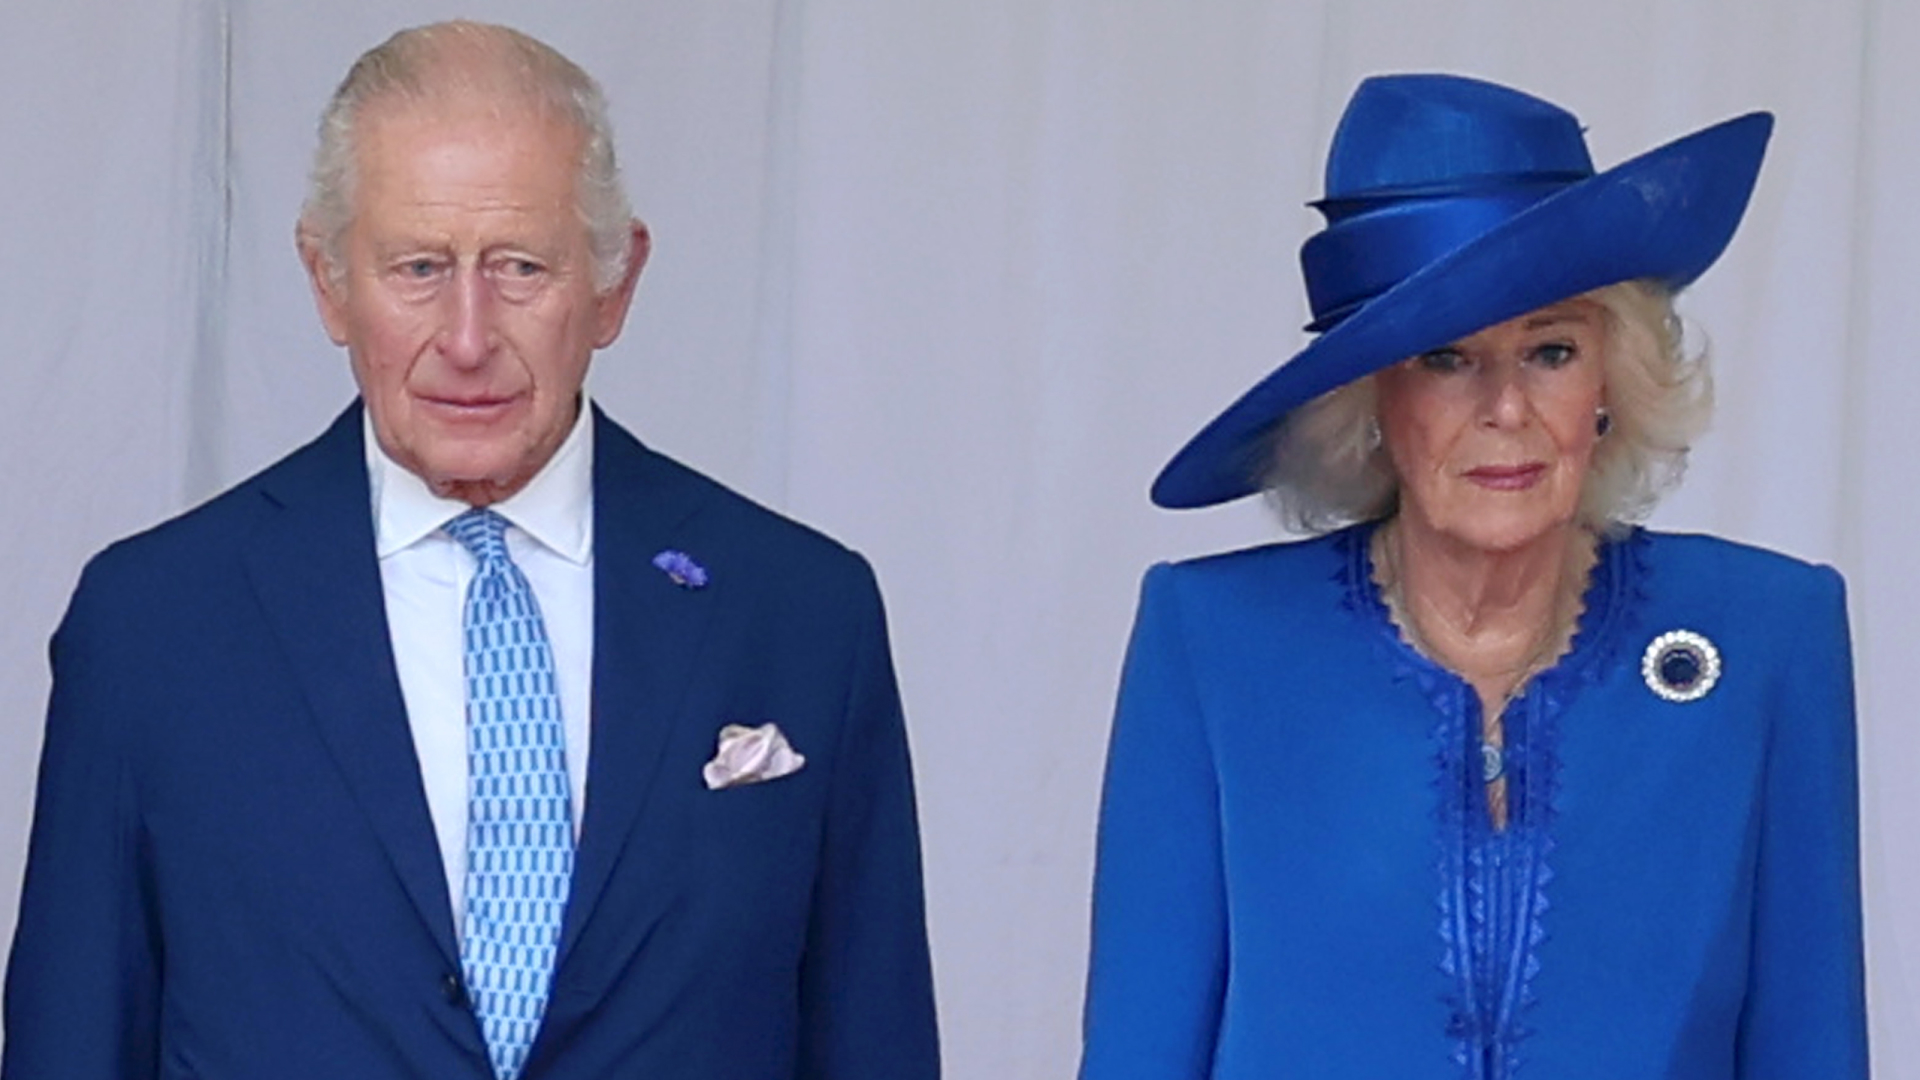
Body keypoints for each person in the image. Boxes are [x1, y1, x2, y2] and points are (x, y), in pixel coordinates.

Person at [3, 21, 939, 1080]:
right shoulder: (153, 626)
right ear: (326, 280)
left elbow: (875, 1041)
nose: (465, 336)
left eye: (520, 267)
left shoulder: (805, 613)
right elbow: (69, 1043)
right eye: (417, 267)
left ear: (614, 283)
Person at [1079, 74, 1866, 1079]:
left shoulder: (1766, 637)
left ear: (1609, 385)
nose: (1506, 410)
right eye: (1445, 359)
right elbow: (1138, 1056)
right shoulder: (1214, 641)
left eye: (1550, 350)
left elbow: (1815, 1049)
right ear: (1369, 400)